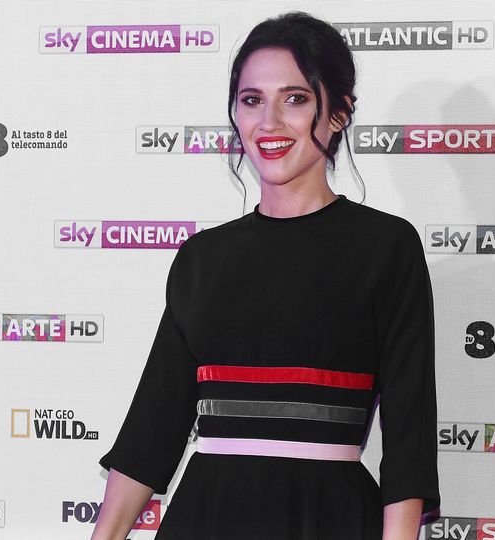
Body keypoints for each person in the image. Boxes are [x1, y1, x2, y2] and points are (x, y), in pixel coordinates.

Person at [91, 11, 439, 540]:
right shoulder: (203, 258)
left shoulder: (386, 247)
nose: (269, 122)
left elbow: (409, 437)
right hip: (205, 518)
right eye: (252, 100)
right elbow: (151, 430)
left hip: (328, 518)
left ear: (339, 113)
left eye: (294, 99)